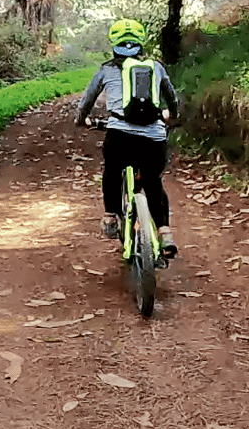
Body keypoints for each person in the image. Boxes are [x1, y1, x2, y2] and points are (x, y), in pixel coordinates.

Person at [75, 18, 181, 256]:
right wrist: (172, 115)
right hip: (153, 137)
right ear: (141, 44)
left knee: (112, 170)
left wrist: (81, 120)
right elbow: (171, 96)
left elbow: (87, 101)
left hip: (119, 135)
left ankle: (111, 217)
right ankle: (164, 233)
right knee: (153, 181)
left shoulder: (107, 70)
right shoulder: (156, 67)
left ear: (114, 45)